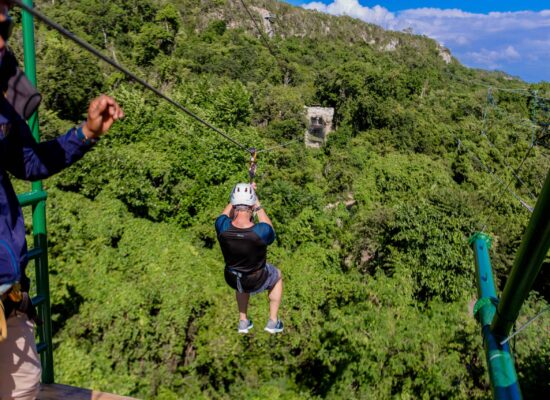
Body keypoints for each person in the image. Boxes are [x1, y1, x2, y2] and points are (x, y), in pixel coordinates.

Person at [0, 2, 124, 398]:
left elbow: (29, 162)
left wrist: (86, 133)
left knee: (23, 389)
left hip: (8, 295)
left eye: (4, 29)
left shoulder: (2, 106)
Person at [215, 183, 284, 334]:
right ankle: (273, 320)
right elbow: (269, 228)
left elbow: (224, 214)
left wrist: (241, 195)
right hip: (256, 279)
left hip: (232, 277)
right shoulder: (261, 231)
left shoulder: (221, 226)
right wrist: (257, 204)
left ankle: (243, 321)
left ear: (234, 204)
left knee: (240, 275)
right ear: (251, 205)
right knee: (277, 275)